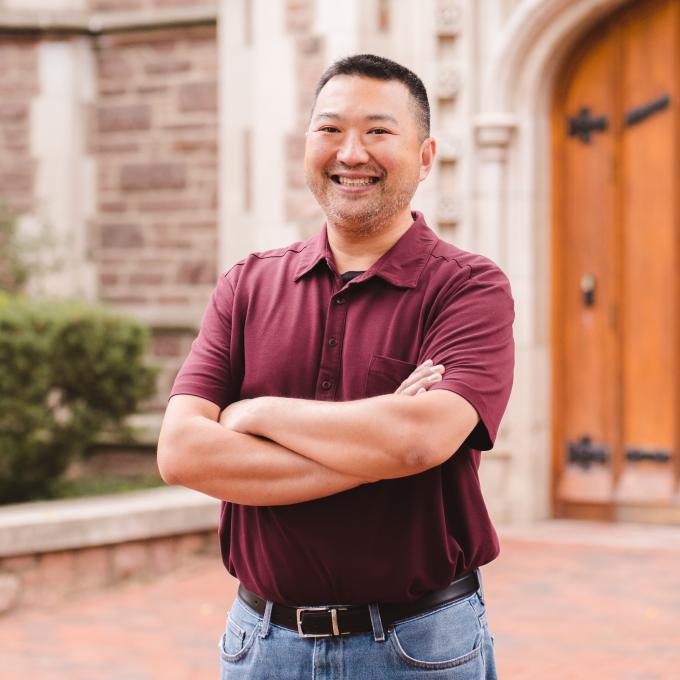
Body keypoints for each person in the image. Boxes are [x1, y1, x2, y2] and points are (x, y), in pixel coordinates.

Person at [157, 54, 514, 679]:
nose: (351, 153)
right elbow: (183, 453)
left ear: (426, 156)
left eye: (378, 131)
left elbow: (417, 441)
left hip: (419, 647)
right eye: (330, 129)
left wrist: (254, 413)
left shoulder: (469, 288)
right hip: (261, 643)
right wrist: (374, 444)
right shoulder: (247, 285)